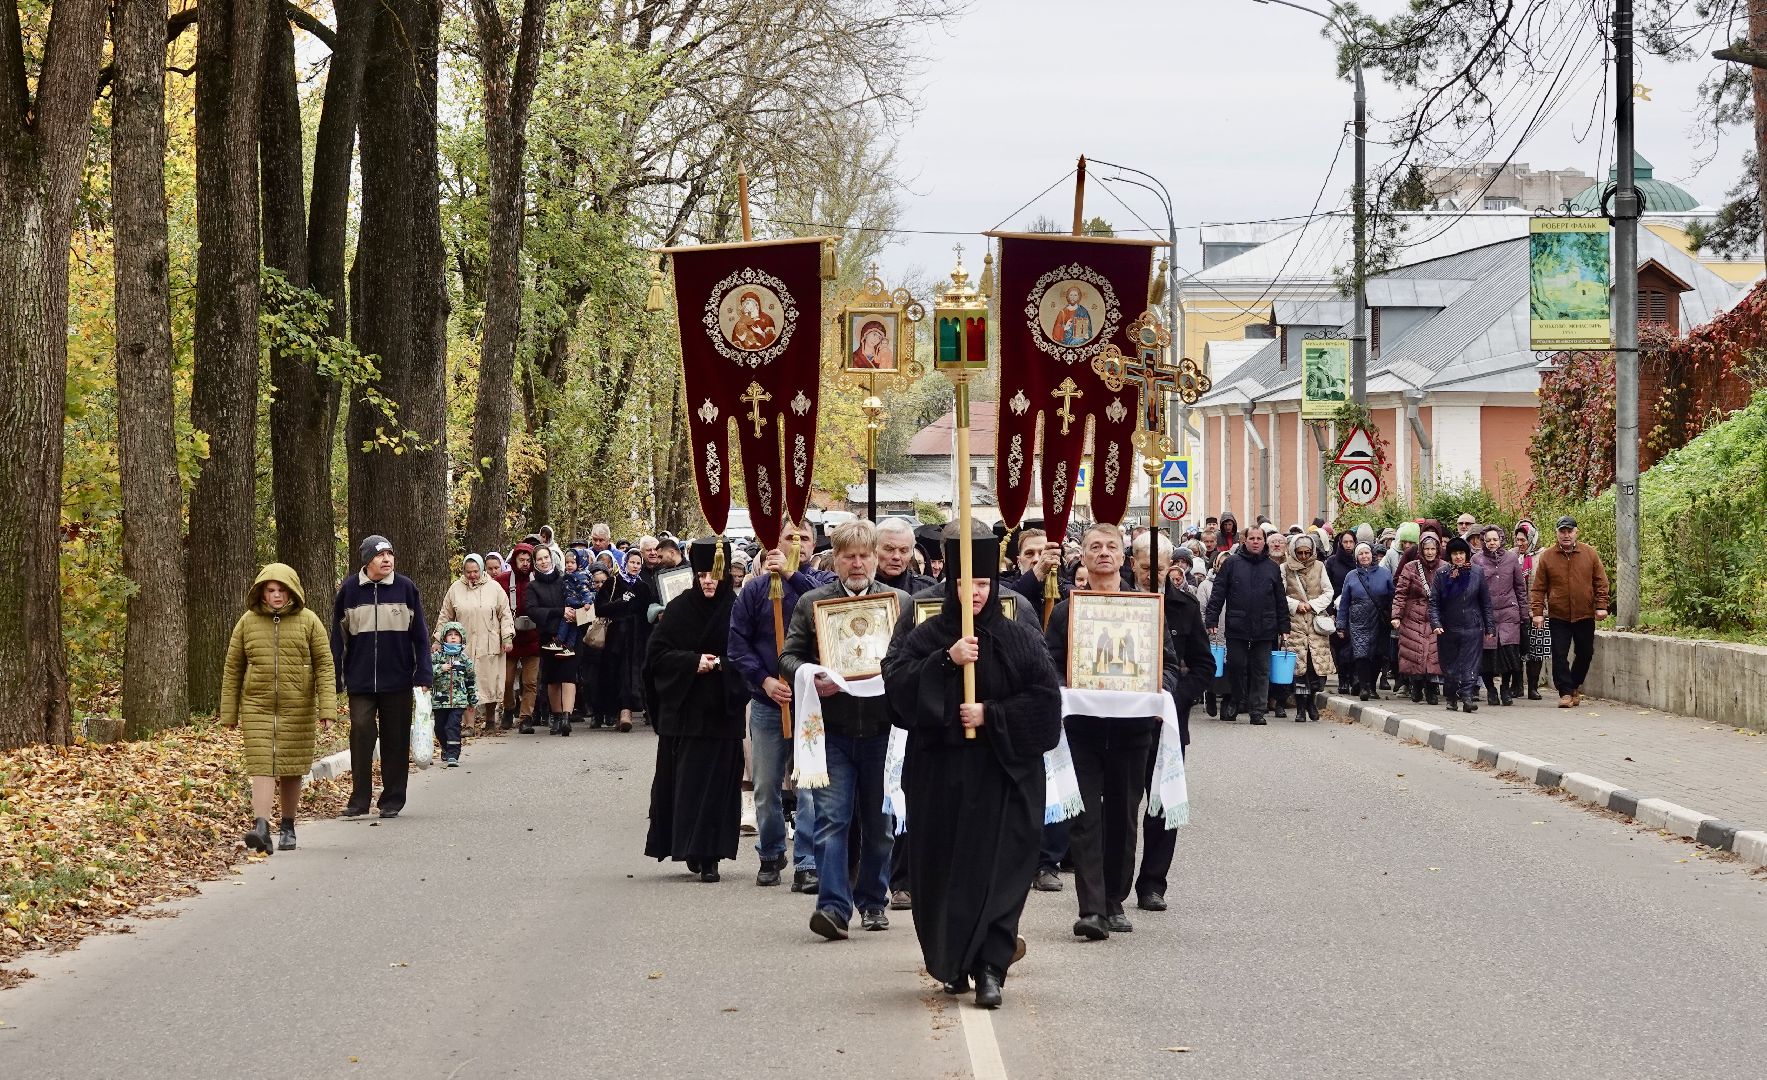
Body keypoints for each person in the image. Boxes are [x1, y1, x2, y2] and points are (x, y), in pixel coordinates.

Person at [882, 522, 1062, 1009]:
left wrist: (991, 715)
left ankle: (990, 968)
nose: (975, 593)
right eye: (966, 583)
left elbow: (1047, 709)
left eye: (982, 584)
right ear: (950, 584)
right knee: (944, 873)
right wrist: (945, 660)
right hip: (941, 777)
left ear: (994, 584)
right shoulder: (926, 635)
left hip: (1005, 779)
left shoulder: (1019, 638)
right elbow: (896, 692)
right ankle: (951, 962)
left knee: (1001, 873)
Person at [1046, 524, 1180, 940]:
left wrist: (1159, 692)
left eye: (1111, 548)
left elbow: (1169, 666)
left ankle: (1115, 900)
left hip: (1132, 730)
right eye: (1094, 548)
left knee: (1123, 815)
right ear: (1081, 557)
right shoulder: (1069, 610)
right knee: (1084, 815)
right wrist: (1065, 689)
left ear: (1123, 558)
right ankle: (1090, 909)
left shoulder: (1144, 606)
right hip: (1083, 729)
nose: (1103, 554)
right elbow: (1049, 662)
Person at [780, 520, 913, 941]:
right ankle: (833, 908)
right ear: (833, 559)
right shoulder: (813, 603)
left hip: (883, 731)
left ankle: (873, 900)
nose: (857, 564)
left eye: (864, 556)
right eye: (848, 556)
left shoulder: (901, 603)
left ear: (875, 558)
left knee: (880, 825)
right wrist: (810, 675)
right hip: (833, 732)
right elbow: (789, 655)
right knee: (831, 821)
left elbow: (914, 659)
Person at [729, 521, 833, 891]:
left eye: (803, 538)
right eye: (789, 537)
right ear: (775, 542)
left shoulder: (823, 585)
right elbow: (738, 645)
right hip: (767, 702)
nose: (797, 543)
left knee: (809, 785)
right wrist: (765, 680)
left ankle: (807, 860)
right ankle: (771, 852)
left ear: (813, 544)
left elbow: (822, 606)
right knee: (767, 785)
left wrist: (790, 575)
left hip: (811, 704)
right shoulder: (755, 590)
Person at [644, 539, 745, 881]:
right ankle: (689, 846)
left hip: (721, 713)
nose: (707, 581)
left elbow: (751, 658)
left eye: (714, 574)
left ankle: (711, 854)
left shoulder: (738, 608)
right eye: (701, 574)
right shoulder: (679, 609)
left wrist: (722, 666)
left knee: (718, 786)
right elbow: (655, 658)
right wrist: (692, 662)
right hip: (685, 714)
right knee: (686, 784)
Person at [222, 564, 335, 853]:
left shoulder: (309, 621)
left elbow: (324, 664)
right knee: (261, 764)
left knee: (291, 767)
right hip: (257, 705)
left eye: (281, 590)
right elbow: (233, 667)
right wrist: (229, 712)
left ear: (291, 591)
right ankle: (261, 826)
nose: (276, 595)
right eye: (270, 590)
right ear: (261, 592)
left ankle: (288, 825)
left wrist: (327, 709)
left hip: (298, 704)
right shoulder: (247, 622)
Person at [1129, 535, 1211, 912]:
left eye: (1158, 570)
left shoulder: (1185, 606)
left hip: (1168, 723)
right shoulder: (1117, 602)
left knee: (1162, 805)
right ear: (1133, 565)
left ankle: (1152, 884)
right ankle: (1114, 883)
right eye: (1145, 568)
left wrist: (1175, 698)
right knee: (1122, 806)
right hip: (1123, 722)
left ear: (1171, 569)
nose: (1151, 576)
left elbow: (1205, 666)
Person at [331, 535, 431, 819]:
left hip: (398, 679)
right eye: (380, 555)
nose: (387, 559)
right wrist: (336, 676)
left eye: (390, 554)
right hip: (360, 680)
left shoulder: (406, 588)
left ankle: (392, 800)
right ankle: (359, 799)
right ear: (367, 560)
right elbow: (338, 637)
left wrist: (423, 673)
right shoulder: (349, 590)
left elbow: (420, 636)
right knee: (361, 731)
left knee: (395, 739)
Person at [1203, 526, 1290, 726]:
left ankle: (1257, 710)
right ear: (1245, 541)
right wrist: (1212, 619)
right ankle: (1236, 699)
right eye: (1252, 538)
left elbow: (1280, 600)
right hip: (1237, 625)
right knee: (1236, 666)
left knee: (1261, 669)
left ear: (1264, 541)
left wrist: (1284, 627)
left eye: (1259, 538)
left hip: (1265, 627)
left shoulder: (1272, 567)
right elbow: (1218, 593)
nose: (1256, 542)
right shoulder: (1232, 564)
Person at [1529, 516, 1610, 708]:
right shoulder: (1548, 557)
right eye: (1562, 531)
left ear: (1576, 533)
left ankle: (1574, 685)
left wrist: (1601, 606)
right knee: (1559, 654)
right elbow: (1538, 587)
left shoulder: (1589, 553)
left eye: (1569, 531)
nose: (1566, 535)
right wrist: (1538, 612)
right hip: (1559, 615)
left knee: (1585, 652)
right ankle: (1565, 692)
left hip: (1584, 613)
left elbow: (1601, 581)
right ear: (1557, 533)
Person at [437, 554, 514, 733]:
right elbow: (445, 615)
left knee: (489, 682)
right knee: (465, 683)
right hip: (464, 645)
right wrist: (438, 639)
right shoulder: (455, 588)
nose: (472, 575)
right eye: (468, 572)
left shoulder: (494, 588)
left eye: (475, 571)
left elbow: (505, 613)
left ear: (481, 570)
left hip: (489, 642)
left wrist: (507, 636)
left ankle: (490, 720)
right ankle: (469, 725)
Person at [1430, 537, 1495, 711]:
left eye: (1461, 553)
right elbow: (1434, 601)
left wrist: (1489, 626)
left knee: (1471, 663)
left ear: (1466, 554)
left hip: (1472, 626)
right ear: (1449, 556)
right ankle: (1451, 696)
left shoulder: (1477, 573)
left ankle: (1467, 697)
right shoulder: (1442, 574)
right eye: (1455, 554)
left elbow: (1485, 602)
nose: (1458, 557)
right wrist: (1435, 622)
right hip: (1448, 627)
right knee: (1450, 665)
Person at [595, 550, 654, 730]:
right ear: (625, 563)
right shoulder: (613, 582)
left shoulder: (643, 587)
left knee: (635, 673)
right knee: (616, 673)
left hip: (637, 637)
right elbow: (600, 609)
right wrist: (621, 602)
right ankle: (618, 712)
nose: (635, 566)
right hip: (616, 636)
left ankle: (632, 711)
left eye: (638, 563)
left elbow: (647, 613)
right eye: (632, 562)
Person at [1280, 533, 1336, 723]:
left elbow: (1329, 591)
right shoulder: (1285, 568)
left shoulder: (1319, 567)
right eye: (1300, 553)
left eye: (1307, 553)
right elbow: (1280, 593)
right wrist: (1296, 605)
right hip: (1295, 623)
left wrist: (1313, 605)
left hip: (1315, 623)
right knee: (1298, 669)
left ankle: (1311, 702)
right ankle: (1300, 708)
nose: (1303, 556)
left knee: (1314, 667)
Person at [1473, 526, 1528, 706]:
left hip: (1508, 613)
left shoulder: (1511, 558)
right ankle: (1491, 690)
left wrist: (1523, 613)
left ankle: (1505, 688)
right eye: (1488, 540)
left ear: (1501, 539)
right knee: (1487, 655)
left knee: (1509, 653)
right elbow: (1473, 589)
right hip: (1486, 614)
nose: (1492, 543)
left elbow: (1520, 588)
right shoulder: (1477, 560)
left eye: (1495, 539)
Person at [525, 545, 573, 735]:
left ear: (552, 559)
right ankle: (557, 715)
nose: (544, 562)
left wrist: (572, 613)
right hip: (547, 635)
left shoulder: (564, 581)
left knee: (568, 675)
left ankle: (567, 717)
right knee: (552, 677)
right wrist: (558, 612)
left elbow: (574, 600)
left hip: (569, 633)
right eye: (540, 559)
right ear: (535, 563)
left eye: (546, 558)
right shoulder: (532, 586)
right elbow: (532, 611)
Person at [1391, 532, 1444, 705]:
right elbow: (1401, 593)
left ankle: (1431, 689)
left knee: (1433, 655)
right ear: (1421, 549)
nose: (1429, 552)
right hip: (1413, 615)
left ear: (1438, 549)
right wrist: (1396, 615)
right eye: (1426, 549)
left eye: (1432, 549)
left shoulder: (1444, 567)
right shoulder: (1410, 567)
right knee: (1415, 653)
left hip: (1436, 615)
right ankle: (1416, 685)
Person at [1337, 542, 1394, 699]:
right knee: (1361, 654)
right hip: (1358, 619)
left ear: (1372, 555)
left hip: (1379, 619)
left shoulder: (1385, 574)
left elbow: (1393, 598)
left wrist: (1394, 616)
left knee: (1377, 654)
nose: (1364, 556)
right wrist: (1341, 624)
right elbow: (1344, 602)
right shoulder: (1351, 576)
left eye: (1367, 553)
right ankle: (1363, 687)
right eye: (1360, 554)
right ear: (1356, 557)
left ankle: (1372, 687)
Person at [496, 543, 542, 731]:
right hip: (510, 638)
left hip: (533, 637)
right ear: (514, 561)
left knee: (530, 681)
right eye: (520, 560)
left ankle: (526, 718)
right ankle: (509, 708)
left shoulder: (538, 579)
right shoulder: (502, 581)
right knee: (507, 680)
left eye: (527, 560)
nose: (524, 563)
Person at [430, 622, 479, 764]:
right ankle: (445, 748)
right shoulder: (437, 657)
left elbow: (471, 680)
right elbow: (427, 672)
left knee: (452, 726)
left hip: (458, 701)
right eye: (449, 635)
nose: (453, 638)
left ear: (461, 639)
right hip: (440, 701)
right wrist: (441, 668)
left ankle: (453, 754)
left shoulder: (465, 660)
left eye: (456, 635)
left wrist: (472, 700)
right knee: (439, 727)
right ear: (444, 638)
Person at [1514, 520, 1549, 700]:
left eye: (1523, 540)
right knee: (1518, 650)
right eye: (1517, 539)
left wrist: (1540, 610)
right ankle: (1518, 686)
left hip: (1538, 611)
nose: (1520, 544)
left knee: (1536, 650)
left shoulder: (1543, 556)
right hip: (1516, 611)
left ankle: (1533, 687)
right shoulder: (1512, 556)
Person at [546, 549, 593, 657]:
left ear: (580, 563)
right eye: (567, 563)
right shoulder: (569, 575)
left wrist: (587, 602)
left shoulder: (580, 576)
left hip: (576, 604)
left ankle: (559, 640)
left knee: (566, 621)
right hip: (572, 602)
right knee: (573, 627)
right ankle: (569, 647)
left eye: (572, 563)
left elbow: (585, 590)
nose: (569, 565)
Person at [874, 517, 934, 595]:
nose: (896, 557)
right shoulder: (859, 586)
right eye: (889, 549)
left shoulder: (927, 589)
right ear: (873, 550)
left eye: (903, 551)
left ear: (911, 554)